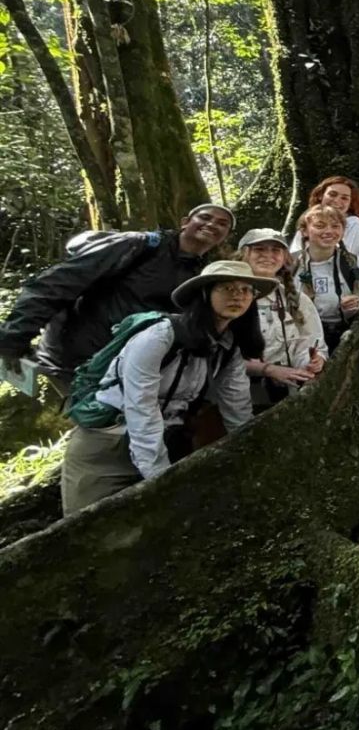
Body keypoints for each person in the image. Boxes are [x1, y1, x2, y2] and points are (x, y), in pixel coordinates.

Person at [59, 259, 270, 514]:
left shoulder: (228, 347)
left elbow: (237, 407)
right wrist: (159, 475)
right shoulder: (158, 337)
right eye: (226, 288)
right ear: (204, 294)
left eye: (246, 290)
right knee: (90, 532)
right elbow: (140, 406)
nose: (237, 295)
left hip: (167, 442)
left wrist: (251, 452)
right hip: (108, 446)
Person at [0, 203, 235, 401]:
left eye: (222, 224)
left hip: (129, 366)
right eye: (205, 217)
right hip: (80, 360)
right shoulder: (139, 245)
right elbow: (57, 282)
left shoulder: (200, 271)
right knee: (96, 431)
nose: (213, 224)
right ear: (185, 222)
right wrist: (14, 337)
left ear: (225, 236)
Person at [238, 228, 326, 410]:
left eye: (275, 250)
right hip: (239, 393)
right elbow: (218, 356)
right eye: (259, 249)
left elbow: (310, 342)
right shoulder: (230, 295)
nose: (268, 256)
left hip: (287, 392)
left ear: (285, 257)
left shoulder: (296, 299)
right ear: (244, 254)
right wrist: (268, 370)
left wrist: (312, 362)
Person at [292, 206, 359, 352]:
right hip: (302, 337)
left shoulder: (354, 265)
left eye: (335, 226)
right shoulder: (292, 266)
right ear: (304, 231)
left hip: (343, 337)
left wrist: (355, 304)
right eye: (319, 226)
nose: (328, 231)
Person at [289, 176, 359, 264]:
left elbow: (344, 260)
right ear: (321, 195)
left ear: (350, 203)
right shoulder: (308, 221)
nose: (337, 200)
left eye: (344, 198)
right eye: (332, 194)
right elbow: (294, 256)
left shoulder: (354, 224)